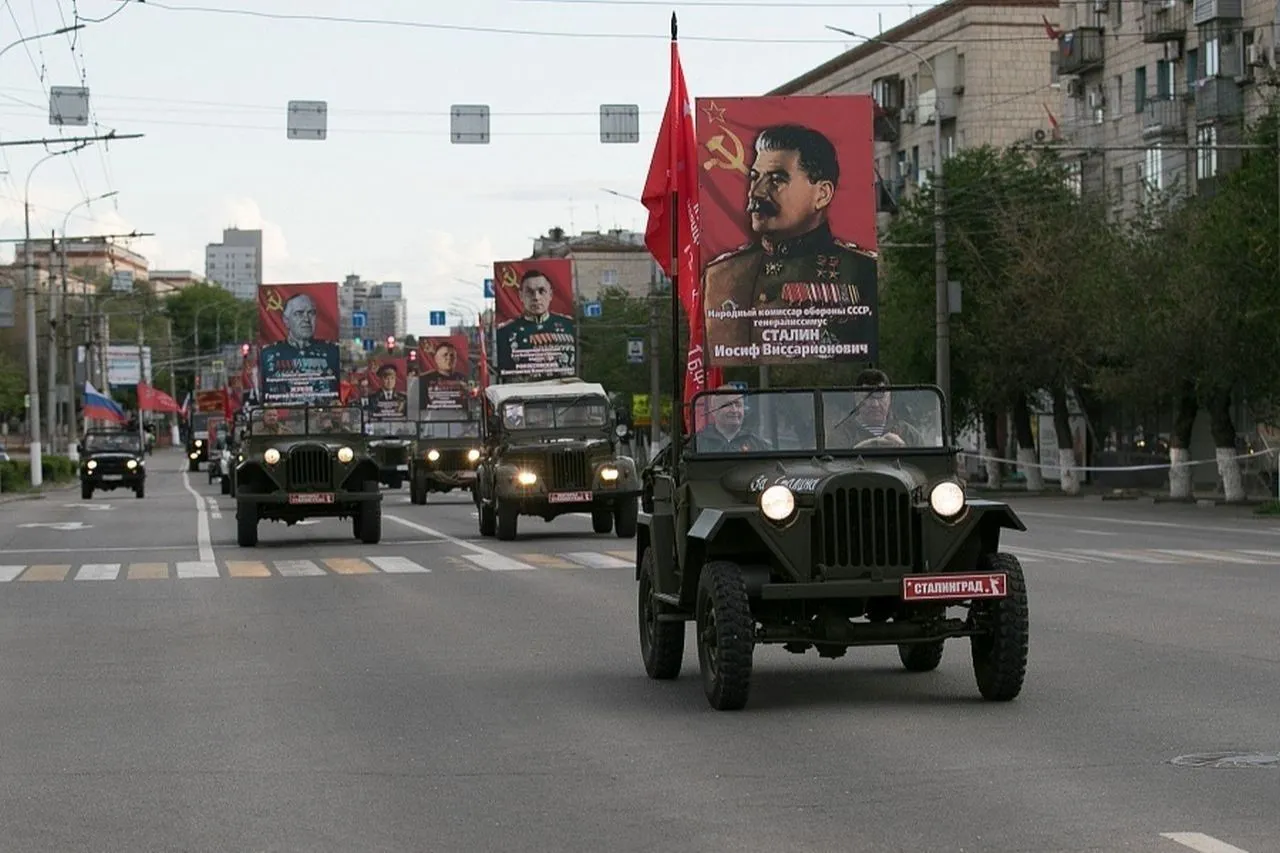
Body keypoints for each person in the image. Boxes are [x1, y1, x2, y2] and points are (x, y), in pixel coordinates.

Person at [701, 123, 879, 365]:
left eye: (776, 180)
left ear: (822, 194)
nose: (756, 192)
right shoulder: (720, 275)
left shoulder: (860, 270)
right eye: (755, 177)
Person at [495, 268, 576, 380]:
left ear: (551, 295)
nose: (536, 298)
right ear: (521, 296)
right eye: (529, 292)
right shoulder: (505, 332)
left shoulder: (569, 326)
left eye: (542, 291)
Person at [260, 292, 341, 396]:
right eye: (299, 313)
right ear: (286, 321)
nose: (306, 319)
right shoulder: (268, 354)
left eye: (311, 313)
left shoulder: (332, 352)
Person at [827, 368, 925, 449]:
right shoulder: (841, 435)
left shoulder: (909, 434)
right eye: (867, 397)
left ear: (890, 397)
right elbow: (836, 468)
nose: (875, 404)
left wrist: (904, 449)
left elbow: (921, 467)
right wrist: (859, 450)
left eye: (880, 396)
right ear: (856, 398)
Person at [693, 386, 770, 453]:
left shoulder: (758, 444)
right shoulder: (697, 443)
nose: (734, 410)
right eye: (728, 405)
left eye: (738, 405)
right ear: (714, 410)